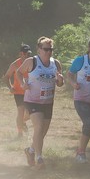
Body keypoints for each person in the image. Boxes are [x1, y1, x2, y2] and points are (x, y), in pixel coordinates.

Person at [17, 36, 64, 169]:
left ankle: (30, 150)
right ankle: (39, 158)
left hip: (48, 102)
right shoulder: (31, 61)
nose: (49, 52)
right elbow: (19, 72)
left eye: (51, 49)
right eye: (46, 49)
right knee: (38, 127)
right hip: (32, 101)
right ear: (39, 50)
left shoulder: (56, 63)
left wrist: (60, 80)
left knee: (42, 131)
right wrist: (22, 84)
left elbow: (60, 83)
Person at [2, 44, 32, 138]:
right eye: (26, 54)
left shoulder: (32, 63)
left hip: (30, 92)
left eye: (29, 54)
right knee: (20, 112)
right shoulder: (15, 65)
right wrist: (10, 87)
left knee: (29, 113)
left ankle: (22, 122)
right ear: (21, 54)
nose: (28, 56)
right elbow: (6, 77)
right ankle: (20, 133)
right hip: (18, 92)